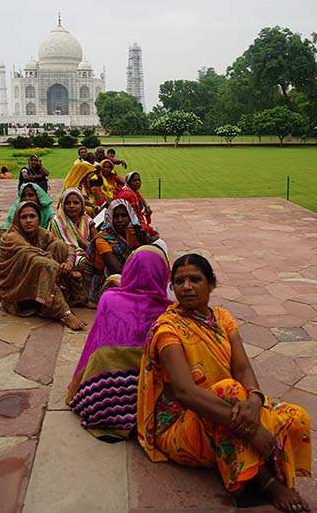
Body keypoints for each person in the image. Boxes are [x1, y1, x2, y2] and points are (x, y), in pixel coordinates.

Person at [137, 254, 312, 512]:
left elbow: (242, 368)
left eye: (195, 279)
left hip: (228, 407)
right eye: (179, 281)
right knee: (228, 389)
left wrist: (255, 399)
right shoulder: (168, 329)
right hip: (182, 426)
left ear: (211, 284)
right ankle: (262, 481)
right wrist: (252, 429)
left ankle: (251, 460)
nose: (186, 287)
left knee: (296, 416)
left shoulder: (223, 318)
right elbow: (185, 392)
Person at [66, 246, 171, 442]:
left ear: (129, 269)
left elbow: (93, 344)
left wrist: (76, 384)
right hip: (150, 402)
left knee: (102, 356)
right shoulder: (171, 312)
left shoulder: (109, 299)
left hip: (102, 401)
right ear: (164, 274)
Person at [0, 201, 86, 330]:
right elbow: (38, 259)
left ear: (39, 218)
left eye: (32, 216)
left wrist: (69, 262)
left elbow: (67, 248)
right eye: (24, 217)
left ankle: (77, 298)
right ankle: (64, 313)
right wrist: (68, 273)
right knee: (43, 264)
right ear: (17, 219)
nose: (28, 221)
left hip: (34, 277)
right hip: (16, 291)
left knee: (58, 247)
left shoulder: (40, 232)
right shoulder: (12, 237)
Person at [84, 199, 149, 304]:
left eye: (124, 216)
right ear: (110, 217)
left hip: (129, 275)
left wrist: (144, 241)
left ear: (130, 217)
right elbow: (116, 269)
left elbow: (145, 257)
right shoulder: (103, 238)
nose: (120, 220)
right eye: (116, 216)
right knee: (117, 281)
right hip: (104, 281)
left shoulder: (133, 232)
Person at [48, 188, 97, 278]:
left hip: (87, 253)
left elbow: (96, 240)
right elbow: (63, 247)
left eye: (76, 203)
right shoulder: (57, 221)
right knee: (85, 263)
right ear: (62, 205)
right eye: (67, 203)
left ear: (82, 204)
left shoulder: (86, 218)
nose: (71, 206)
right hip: (65, 257)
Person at [117, 171, 157, 239]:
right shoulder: (129, 194)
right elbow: (134, 216)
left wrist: (146, 206)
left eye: (139, 180)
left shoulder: (133, 191)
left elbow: (141, 199)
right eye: (134, 180)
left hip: (132, 220)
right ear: (129, 183)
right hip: (130, 223)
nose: (137, 182)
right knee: (155, 236)